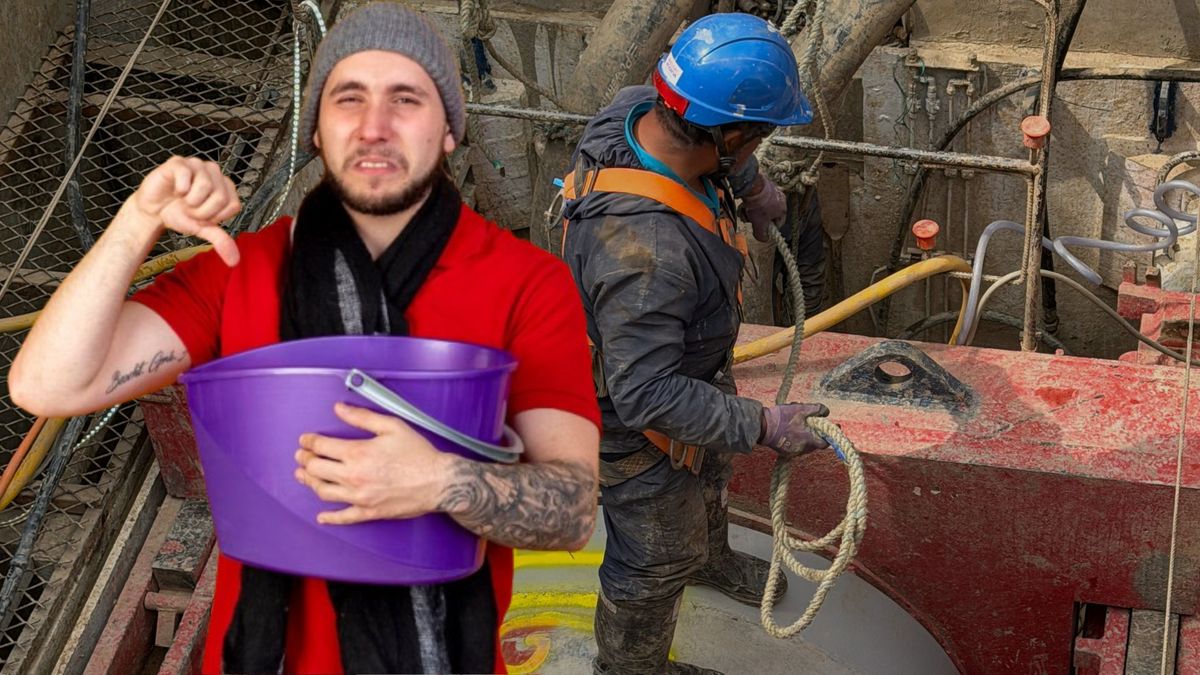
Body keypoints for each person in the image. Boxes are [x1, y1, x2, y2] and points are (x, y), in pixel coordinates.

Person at [10, 4, 600, 673]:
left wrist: (442, 480)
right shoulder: (242, 270)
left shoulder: (527, 281)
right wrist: (137, 221)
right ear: (317, 130)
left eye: (406, 99)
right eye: (348, 99)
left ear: (448, 132)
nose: (374, 126)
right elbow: (47, 385)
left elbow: (572, 510)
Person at [560, 13, 835, 675]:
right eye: (758, 139)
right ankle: (630, 668)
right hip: (631, 415)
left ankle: (708, 559)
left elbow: (716, 143)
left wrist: (752, 186)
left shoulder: (634, 110)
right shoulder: (648, 255)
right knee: (654, 556)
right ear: (731, 136)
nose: (758, 146)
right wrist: (763, 424)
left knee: (709, 465)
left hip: (680, 358)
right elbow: (646, 395)